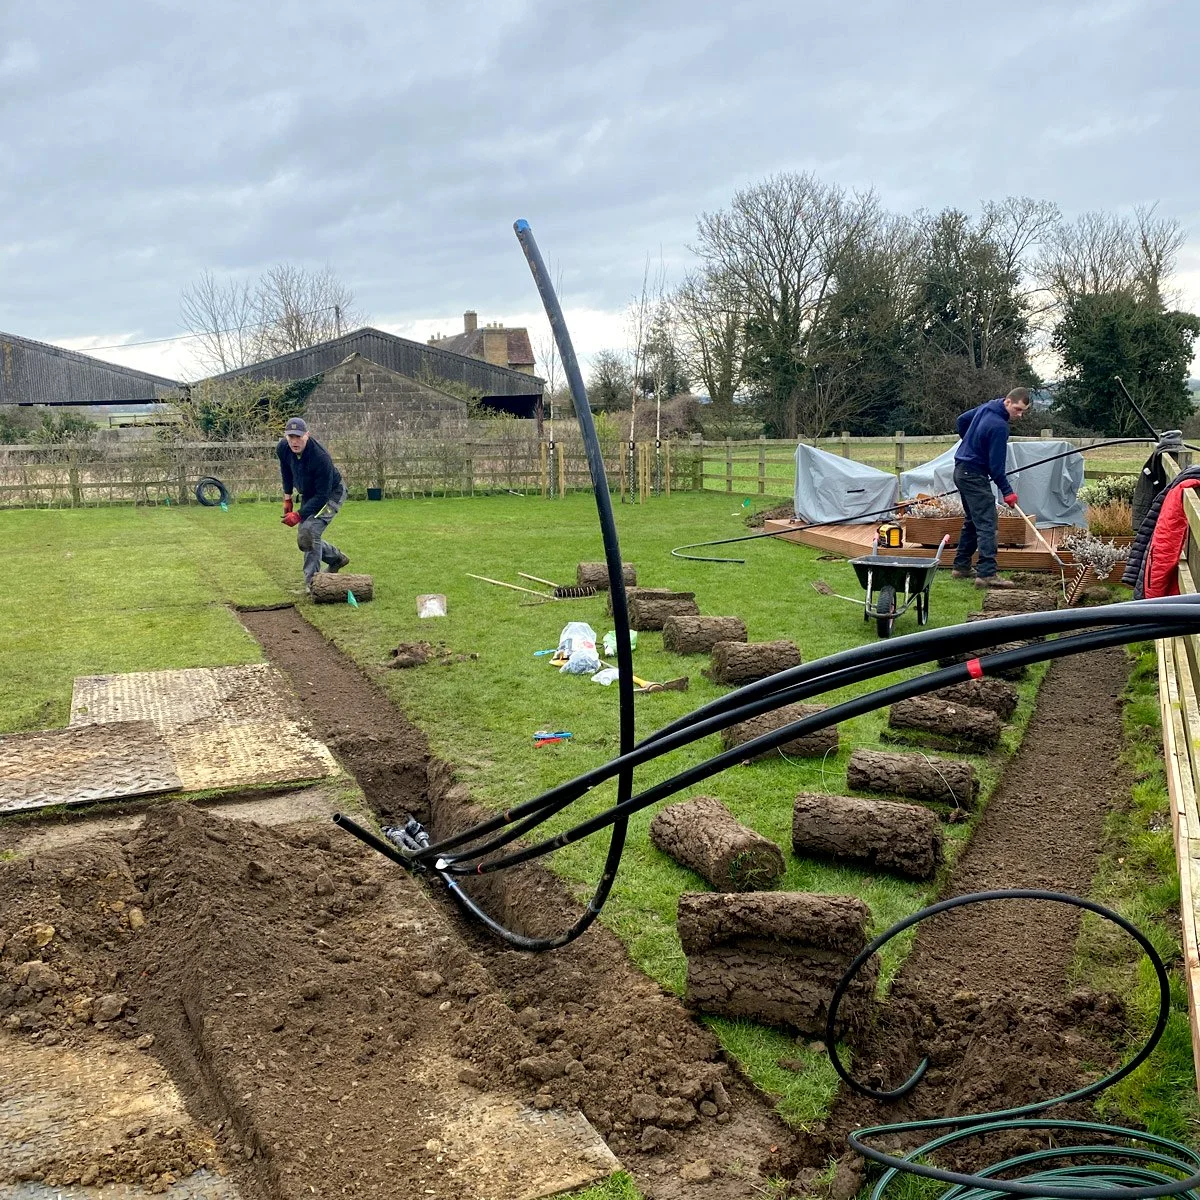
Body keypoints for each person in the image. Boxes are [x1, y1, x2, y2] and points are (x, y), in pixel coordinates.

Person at [950, 387, 1032, 589]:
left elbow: (961, 420)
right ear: (1007, 402)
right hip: (974, 475)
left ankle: (961, 567)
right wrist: (1008, 492)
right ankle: (987, 574)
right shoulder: (999, 427)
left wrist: (971, 442)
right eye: (1018, 409)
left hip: (961, 470)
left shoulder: (987, 406)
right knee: (988, 524)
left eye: (1023, 411)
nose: (1019, 415)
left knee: (973, 520)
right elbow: (996, 468)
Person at [277, 417, 350, 591]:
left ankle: (313, 583)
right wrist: (287, 497)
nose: (294, 441)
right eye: (291, 437)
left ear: (307, 435)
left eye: (298, 437)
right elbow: (286, 470)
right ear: (286, 437)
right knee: (305, 537)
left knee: (309, 531)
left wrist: (299, 514)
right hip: (310, 493)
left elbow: (323, 496)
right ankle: (336, 558)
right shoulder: (283, 448)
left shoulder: (320, 457)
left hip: (331, 494)